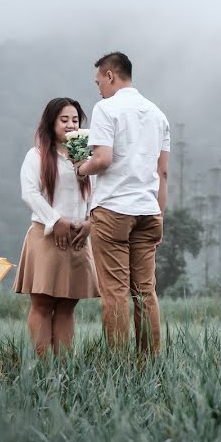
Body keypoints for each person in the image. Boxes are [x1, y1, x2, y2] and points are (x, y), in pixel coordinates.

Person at [75, 52, 169, 354]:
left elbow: (102, 160)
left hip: (114, 210)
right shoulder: (158, 115)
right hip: (149, 212)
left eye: (98, 81)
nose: (99, 88)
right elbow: (162, 173)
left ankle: (117, 364)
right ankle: (149, 363)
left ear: (110, 75)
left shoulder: (106, 108)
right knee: (145, 292)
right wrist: (160, 215)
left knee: (114, 293)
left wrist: (80, 167)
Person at [13, 97, 99, 356]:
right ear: (51, 123)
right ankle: (43, 368)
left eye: (75, 120)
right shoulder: (37, 155)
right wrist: (55, 220)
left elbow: (96, 193)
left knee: (67, 306)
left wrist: (90, 223)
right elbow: (29, 193)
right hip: (46, 235)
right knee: (42, 303)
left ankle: (64, 370)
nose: (71, 125)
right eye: (64, 120)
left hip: (78, 238)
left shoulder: (86, 157)